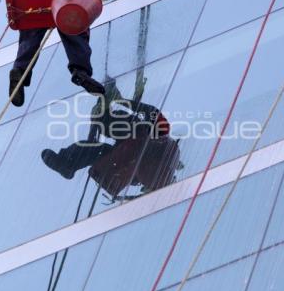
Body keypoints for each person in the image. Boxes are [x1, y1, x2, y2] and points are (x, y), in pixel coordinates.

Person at [41, 78, 181, 201]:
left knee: (98, 146)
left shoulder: (156, 140)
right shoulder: (153, 158)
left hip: (130, 151)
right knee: (96, 148)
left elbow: (151, 112)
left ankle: (67, 163)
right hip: (127, 155)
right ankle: (67, 164)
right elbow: (151, 113)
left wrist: (119, 101)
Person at [9, 0, 105, 107]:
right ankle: (80, 71)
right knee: (76, 30)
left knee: (30, 36)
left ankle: (19, 70)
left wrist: (15, 2)